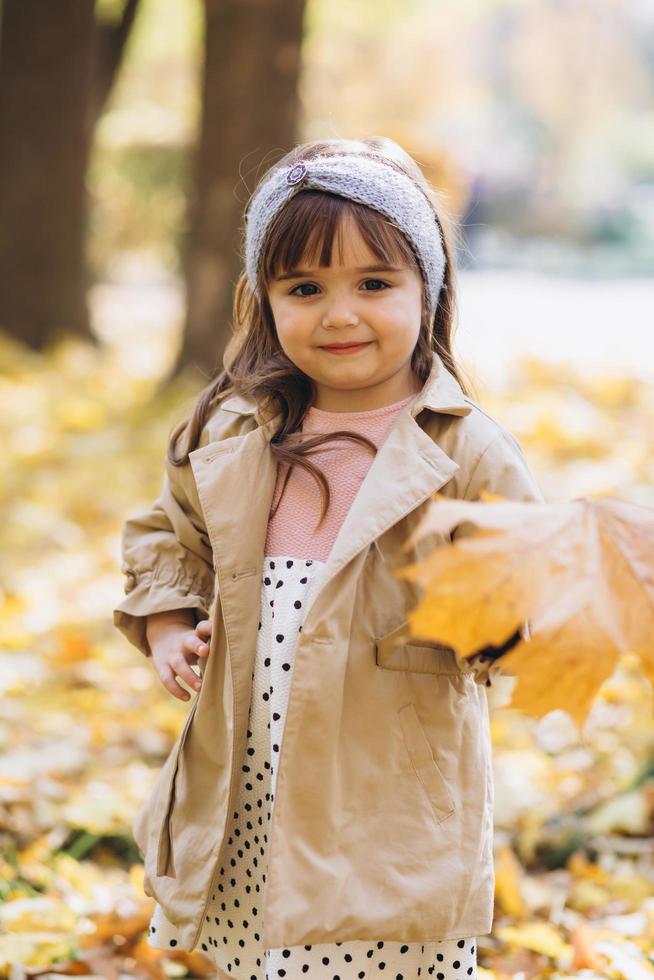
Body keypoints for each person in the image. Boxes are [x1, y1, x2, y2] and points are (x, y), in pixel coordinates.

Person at [113, 136, 544, 980]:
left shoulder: (464, 450)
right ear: (262, 300)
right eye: (304, 289)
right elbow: (168, 533)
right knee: (257, 955)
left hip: (384, 799)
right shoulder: (237, 430)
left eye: (375, 284)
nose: (339, 315)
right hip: (249, 783)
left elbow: (523, 584)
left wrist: (494, 624)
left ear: (430, 288)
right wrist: (169, 624)